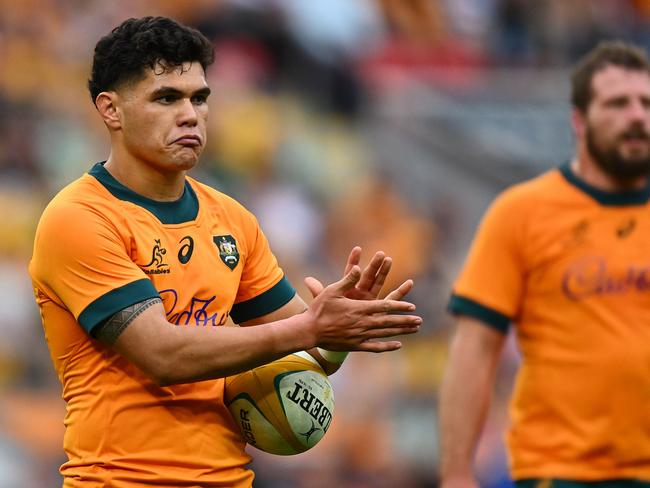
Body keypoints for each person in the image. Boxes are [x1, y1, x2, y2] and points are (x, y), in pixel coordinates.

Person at [28, 16, 422, 487]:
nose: (191, 114)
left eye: (200, 98)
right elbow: (161, 354)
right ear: (111, 110)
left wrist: (335, 335)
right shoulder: (78, 217)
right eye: (167, 98)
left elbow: (304, 348)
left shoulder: (231, 219)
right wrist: (311, 326)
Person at [439, 40, 650, 488]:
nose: (637, 116)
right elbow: (475, 349)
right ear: (579, 120)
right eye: (618, 103)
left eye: (646, 103)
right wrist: (457, 472)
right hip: (561, 470)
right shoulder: (522, 212)